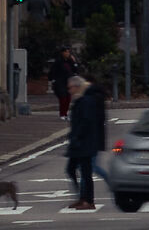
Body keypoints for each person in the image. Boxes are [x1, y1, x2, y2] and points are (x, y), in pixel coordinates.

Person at [65, 74, 107, 210]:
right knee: (72, 169)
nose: (69, 90)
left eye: (70, 88)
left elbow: (86, 121)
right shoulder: (80, 99)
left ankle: (88, 200)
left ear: (77, 87)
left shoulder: (86, 100)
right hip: (80, 142)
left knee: (86, 171)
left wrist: (77, 136)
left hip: (85, 142)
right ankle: (82, 198)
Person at [55, 46, 77, 118]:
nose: (68, 53)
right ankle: (62, 114)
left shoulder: (70, 61)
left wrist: (74, 62)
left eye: (68, 52)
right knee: (63, 98)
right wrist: (54, 80)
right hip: (60, 83)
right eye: (66, 52)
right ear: (62, 53)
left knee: (68, 98)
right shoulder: (58, 61)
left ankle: (65, 113)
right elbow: (54, 71)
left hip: (68, 82)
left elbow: (75, 70)